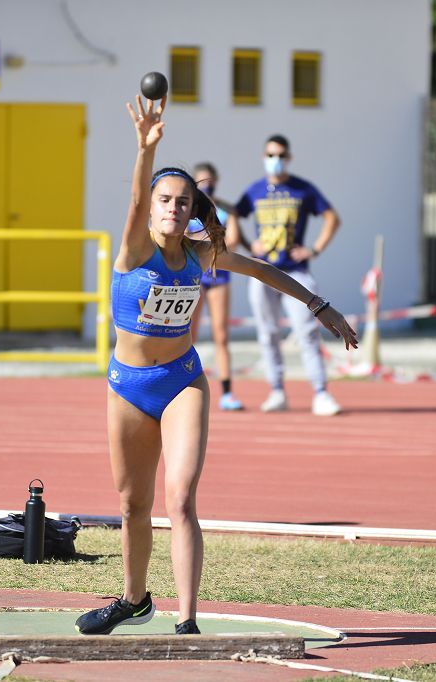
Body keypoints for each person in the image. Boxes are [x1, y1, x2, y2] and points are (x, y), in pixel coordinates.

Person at [75, 95, 356, 636]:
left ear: (192, 209)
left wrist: (320, 308)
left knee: (179, 497)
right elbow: (135, 200)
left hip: (182, 381)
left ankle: (187, 620)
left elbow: (264, 271)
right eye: (165, 200)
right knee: (133, 504)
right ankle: (134, 600)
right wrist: (145, 148)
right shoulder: (134, 251)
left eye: (183, 202)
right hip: (128, 386)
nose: (173, 209)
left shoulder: (202, 255)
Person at [231, 134, 344, 416]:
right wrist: (247, 246)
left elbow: (332, 218)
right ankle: (277, 390)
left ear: (289, 157)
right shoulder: (255, 190)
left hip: (296, 273)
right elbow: (234, 213)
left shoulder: (302, 189)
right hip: (262, 273)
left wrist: (314, 250)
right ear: (263, 157)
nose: (275, 160)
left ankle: (320, 392)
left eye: (280, 155)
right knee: (268, 333)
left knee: (307, 331)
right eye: (270, 155)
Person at [187, 162, 244, 411]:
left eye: (210, 180)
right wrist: (212, 239)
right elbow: (181, 239)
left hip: (220, 275)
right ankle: (184, 386)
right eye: (202, 181)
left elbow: (233, 241)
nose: (207, 185)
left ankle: (227, 393)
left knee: (221, 336)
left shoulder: (225, 209)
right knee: (189, 334)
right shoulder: (188, 208)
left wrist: (204, 240)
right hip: (195, 277)